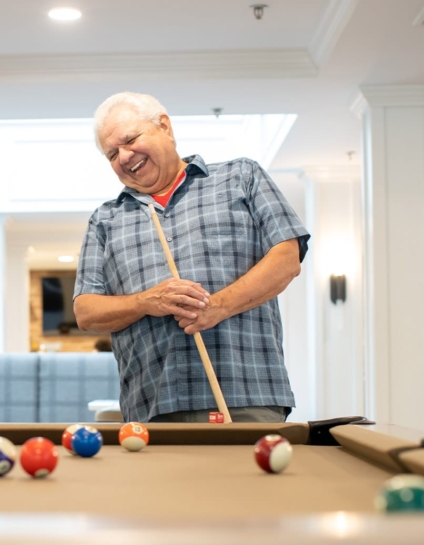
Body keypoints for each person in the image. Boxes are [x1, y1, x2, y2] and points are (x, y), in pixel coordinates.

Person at [74, 92, 310, 423]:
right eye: (112, 153)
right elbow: (85, 310)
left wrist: (218, 306)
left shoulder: (241, 177)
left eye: (130, 140)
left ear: (164, 126)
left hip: (247, 395)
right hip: (152, 407)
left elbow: (287, 258)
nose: (124, 156)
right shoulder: (106, 219)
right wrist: (146, 301)